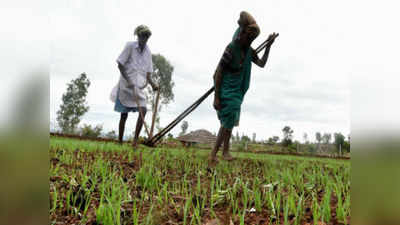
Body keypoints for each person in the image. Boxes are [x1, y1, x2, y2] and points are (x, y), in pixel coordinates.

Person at [210, 11, 278, 162]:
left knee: (231, 119)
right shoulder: (231, 48)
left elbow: (261, 64)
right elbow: (219, 73)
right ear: (241, 34)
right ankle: (213, 154)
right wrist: (216, 96)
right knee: (228, 120)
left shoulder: (249, 51)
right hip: (225, 88)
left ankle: (225, 152)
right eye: (248, 37)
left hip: (237, 91)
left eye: (251, 39)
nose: (248, 41)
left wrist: (268, 46)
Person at [110, 25, 159, 148]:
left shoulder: (148, 52)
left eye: (147, 37)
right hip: (126, 84)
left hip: (138, 86)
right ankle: (120, 141)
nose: (145, 39)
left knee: (143, 109)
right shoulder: (130, 46)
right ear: (138, 36)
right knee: (124, 114)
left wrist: (153, 85)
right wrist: (128, 80)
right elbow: (120, 64)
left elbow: (148, 73)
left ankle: (135, 141)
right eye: (143, 36)